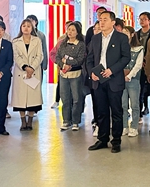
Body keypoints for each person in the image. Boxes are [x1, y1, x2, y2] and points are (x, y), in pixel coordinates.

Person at [86, 11, 130, 153]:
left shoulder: (121, 38)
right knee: (101, 111)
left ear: (113, 22)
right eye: (100, 20)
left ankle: (116, 141)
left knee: (116, 112)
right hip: (98, 80)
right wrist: (92, 72)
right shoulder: (95, 38)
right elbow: (89, 58)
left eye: (105, 19)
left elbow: (126, 57)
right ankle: (102, 139)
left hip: (114, 79)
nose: (102, 22)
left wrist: (112, 70)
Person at [12, 19, 44, 130]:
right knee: (20, 98)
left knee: (32, 98)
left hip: (33, 72)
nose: (26, 28)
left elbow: (40, 55)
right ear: (21, 27)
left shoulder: (37, 40)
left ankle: (30, 121)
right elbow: (16, 56)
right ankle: (23, 122)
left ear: (32, 28)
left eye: (28, 26)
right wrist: (25, 67)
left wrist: (32, 68)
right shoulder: (15, 41)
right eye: (24, 26)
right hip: (21, 72)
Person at [56, 21, 86, 131]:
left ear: (77, 32)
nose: (70, 32)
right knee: (65, 98)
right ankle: (66, 121)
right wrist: (63, 64)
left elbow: (80, 60)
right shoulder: (63, 43)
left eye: (73, 30)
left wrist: (68, 62)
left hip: (76, 75)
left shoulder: (81, 44)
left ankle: (75, 121)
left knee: (77, 99)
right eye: (69, 29)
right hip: (63, 75)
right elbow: (57, 57)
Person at [121, 26, 144, 137]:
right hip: (121, 80)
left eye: (126, 32)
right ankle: (124, 126)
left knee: (135, 105)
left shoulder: (139, 48)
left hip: (133, 79)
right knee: (123, 105)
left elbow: (138, 65)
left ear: (132, 34)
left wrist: (129, 76)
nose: (124, 34)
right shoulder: (120, 47)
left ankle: (134, 127)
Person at [137, 12, 150, 117]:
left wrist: (147, 61)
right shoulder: (136, 34)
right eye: (140, 19)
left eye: (144, 19)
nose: (142, 21)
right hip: (139, 67)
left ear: (149, 21)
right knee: (139, 90)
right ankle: (139, 113)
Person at [27, 14, 48, 79]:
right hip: (27, 63)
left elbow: (44, 50)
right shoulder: (24, 34)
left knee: (37, 81)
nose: (30, 22)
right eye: (28, 21)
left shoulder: (41, 35)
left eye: (31, 20)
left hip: (38, 63)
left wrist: (44, 64)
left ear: (35, 22)